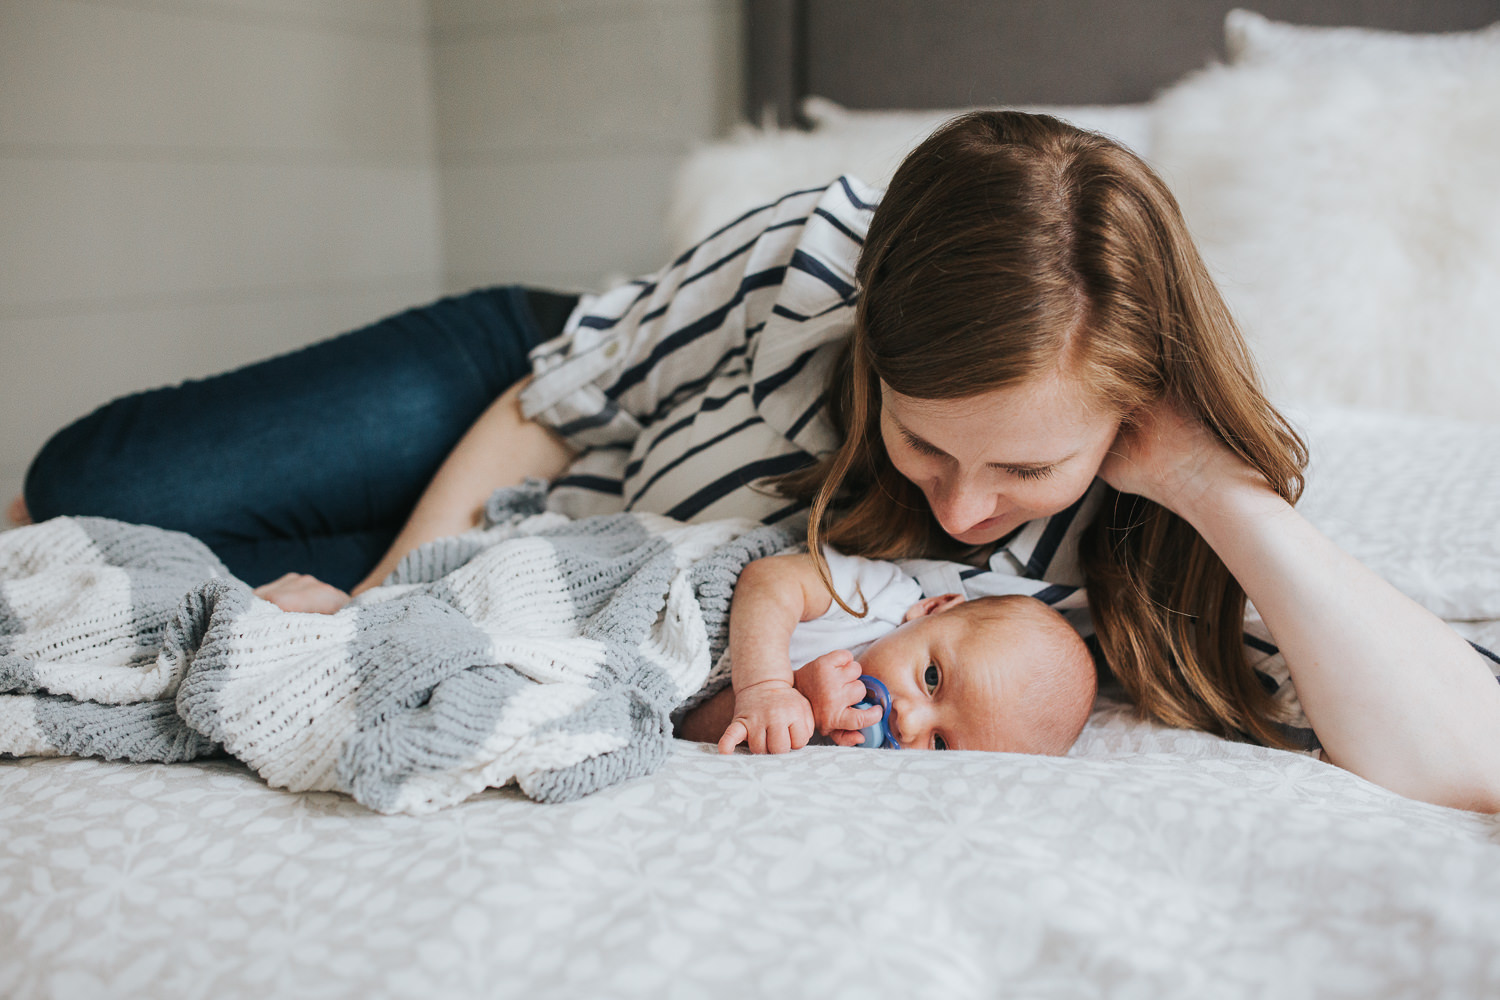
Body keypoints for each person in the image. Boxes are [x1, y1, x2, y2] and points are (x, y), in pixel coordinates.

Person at [14, 111, 1500, 811]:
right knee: (105, 472)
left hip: (554, 575)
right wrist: (392, 588)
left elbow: (1467, 762)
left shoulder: (1134, 505)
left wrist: (1199, 479)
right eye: (925, 443)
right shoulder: (810, 259)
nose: (967, 510)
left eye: (1025, 474)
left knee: (160, 583)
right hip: (539, 394)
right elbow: (552, 405)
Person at [677, 547, 1097, 756]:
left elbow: (691, 726)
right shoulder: (880, 601)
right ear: (930, 609)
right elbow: (767, 580)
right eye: (932, 678)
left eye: (940, 746)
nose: (908, 722)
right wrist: (767, 686)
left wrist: (799, 699)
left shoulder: (856, 751)